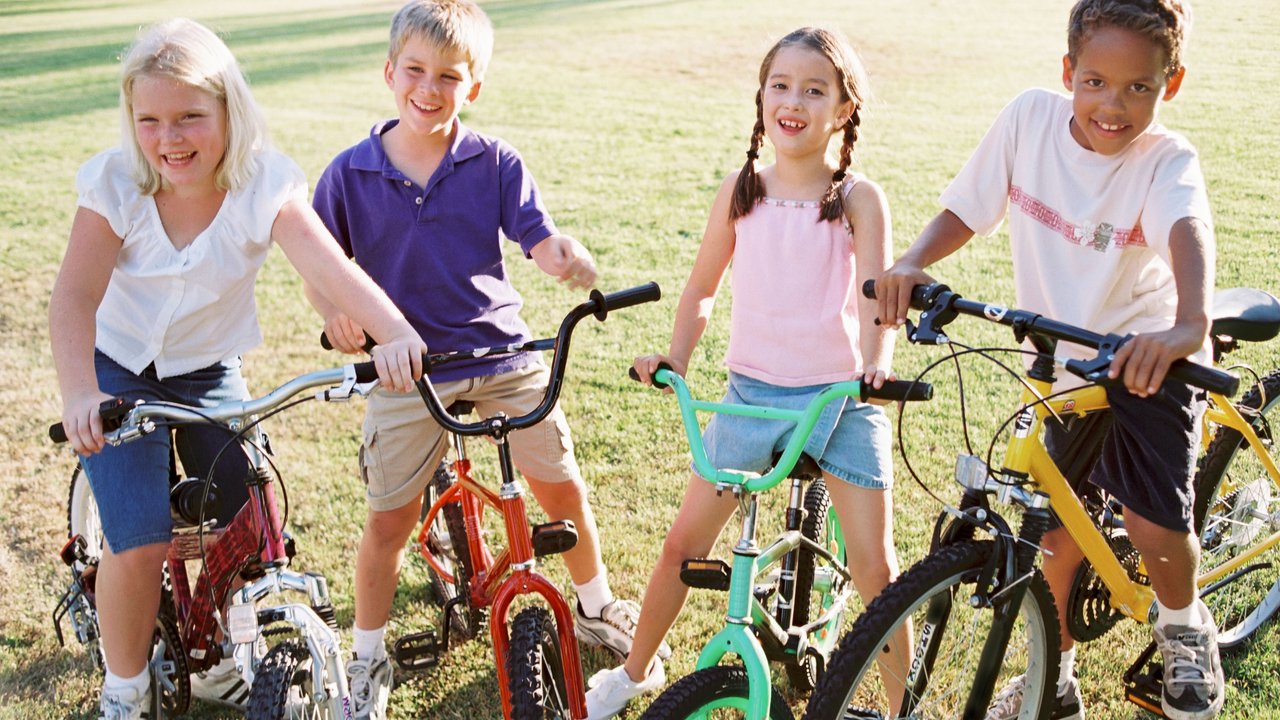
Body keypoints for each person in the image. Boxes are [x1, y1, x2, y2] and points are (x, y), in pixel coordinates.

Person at [47, 18, 428, 720]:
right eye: (151, 120)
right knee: (140, 536)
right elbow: (73, 297)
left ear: (230, 110)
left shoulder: (264, 184)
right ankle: (125, 690)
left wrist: (394, 331)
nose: (170, 138)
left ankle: (227, 649)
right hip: (117, 369)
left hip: (207, 369)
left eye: (192, 116)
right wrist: (80, 390)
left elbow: (327, 267)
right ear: (132, 122)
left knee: (256, 523)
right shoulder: (116, 184)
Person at [875, 2, 1222, 719]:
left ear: (1171, 84)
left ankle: (1185, 626)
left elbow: (1186, 228)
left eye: (1139, 88)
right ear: (1068, 72)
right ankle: (1054, 676)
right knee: (1052, 528)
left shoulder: (1164, 159)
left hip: (1143, 354)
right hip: (1061, 359)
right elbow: (969, 208)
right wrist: (911, 260)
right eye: (1095, 81)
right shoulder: (1029, 120)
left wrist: (1190, 323)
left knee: (1152, 520)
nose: (1113, 105)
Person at [306, 1, 651, 716]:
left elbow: (539, 238)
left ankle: (595, 603)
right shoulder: (348, 173)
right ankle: (367, 656)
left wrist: (564, 257)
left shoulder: (493, 161)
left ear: (474, 88)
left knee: (558, 486)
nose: (429, 88)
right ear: (389, 72)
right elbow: (319, 264)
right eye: (416, 71)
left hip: (500, 354)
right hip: (407, 369)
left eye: (450, 77)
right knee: (388, 522)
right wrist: (335, 316)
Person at [592, 26, 906, 719]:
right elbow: (703, 286)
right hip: (753, 397)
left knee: (876, 570)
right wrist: (677, 357)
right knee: (683, 543)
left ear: (844, 109)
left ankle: (898, 705)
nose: (793, 102)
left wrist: (877, 366)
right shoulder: (743, 191)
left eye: (815, 90)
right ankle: (636, 669)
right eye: (781, 86)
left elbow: (880, 295)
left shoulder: (858, 199)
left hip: (842, 400)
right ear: (761, 96)